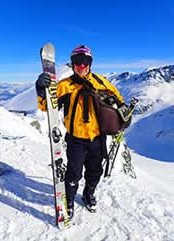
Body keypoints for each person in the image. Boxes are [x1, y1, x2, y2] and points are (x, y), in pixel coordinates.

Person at [35, 45, 128, 219]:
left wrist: (120, 112)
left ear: (90, 64)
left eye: (86, 62)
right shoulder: (64, 86)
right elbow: (46, 106)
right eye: (78, 62)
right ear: (73, 64)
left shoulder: (101, 82)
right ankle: (68, 201)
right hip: (75, 140)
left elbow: (119, 101)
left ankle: (88, 194)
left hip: (97, 138)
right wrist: (41, 89)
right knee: (73, 173)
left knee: (95, 172)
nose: (82, 66)